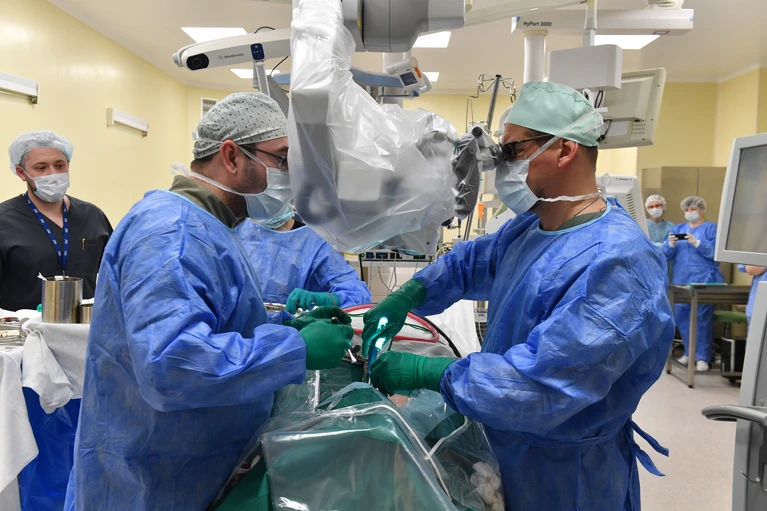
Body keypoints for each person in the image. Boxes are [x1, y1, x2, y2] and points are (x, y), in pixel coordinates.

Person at [362, 81, 675, 511]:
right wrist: (412, 293)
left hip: (567, 475)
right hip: (506, 444)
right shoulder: (530, 228)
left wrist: (430, 372)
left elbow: (540, 385)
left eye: (512, 151)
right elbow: (471, 262)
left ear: (564, 150)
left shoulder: (618, 262)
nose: (501, 166)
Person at [64, 93, 354, 511]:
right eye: (281, 160)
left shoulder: (212, 227)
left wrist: (286, 327)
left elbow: (215, 325)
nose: (289, 176)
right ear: (232, 156)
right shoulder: (171, 234)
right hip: (153, 480)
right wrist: (294, 349)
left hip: (193, 464)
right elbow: (170, 365)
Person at [1, 131, 112, 311]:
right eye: (41, 168)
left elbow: (116, 275)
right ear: (21, 172)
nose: (52, 174)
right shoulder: (5, 221)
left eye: (59, 165)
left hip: (85, 325)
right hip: (23, 327)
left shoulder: (92, 216)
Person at [236, 203, 371, 313]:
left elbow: (358, 296)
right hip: (239, 334)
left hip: (297, 334)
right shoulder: (238, 231)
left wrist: (324, 299)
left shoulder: (314, 243)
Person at [662, 196, 724, 372]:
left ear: (701, 210)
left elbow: (716, 255)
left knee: (702, 319)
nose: (690, 212)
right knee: (682, 318)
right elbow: (665, 256)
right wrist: (670, 245)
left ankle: (702, 357)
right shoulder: (678, 229)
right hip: (681, 280)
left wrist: (698, 243)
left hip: (704, 280)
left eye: (693, 209)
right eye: (687, 210)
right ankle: (689, 353)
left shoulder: (711, 228)